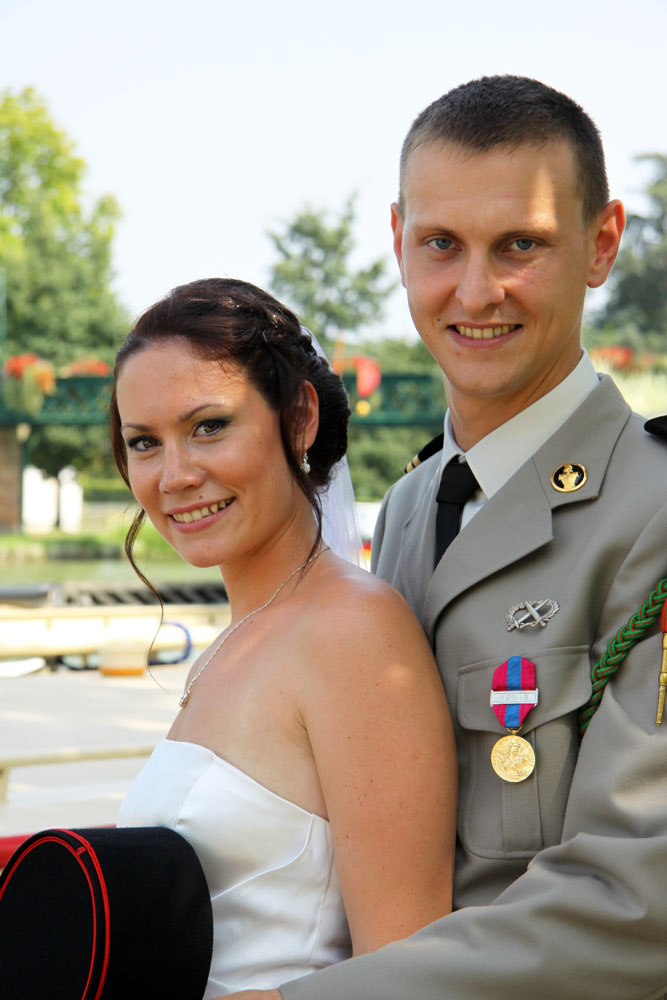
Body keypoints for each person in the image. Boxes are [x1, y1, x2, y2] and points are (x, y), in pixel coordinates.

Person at [229, 76, 667, 1000]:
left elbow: (636, 900)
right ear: (397, 242)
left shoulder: (651, 514)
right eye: (440, 244)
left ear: (600, 244)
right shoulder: (412, 508)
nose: (476, 291)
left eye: (521, 245)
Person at [109, 278, 457, 999]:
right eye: (144, 442)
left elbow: (408, 970)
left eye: (208, 426)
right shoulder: (236, 642)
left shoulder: (353, 632)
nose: (175, 476)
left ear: (297, 418)